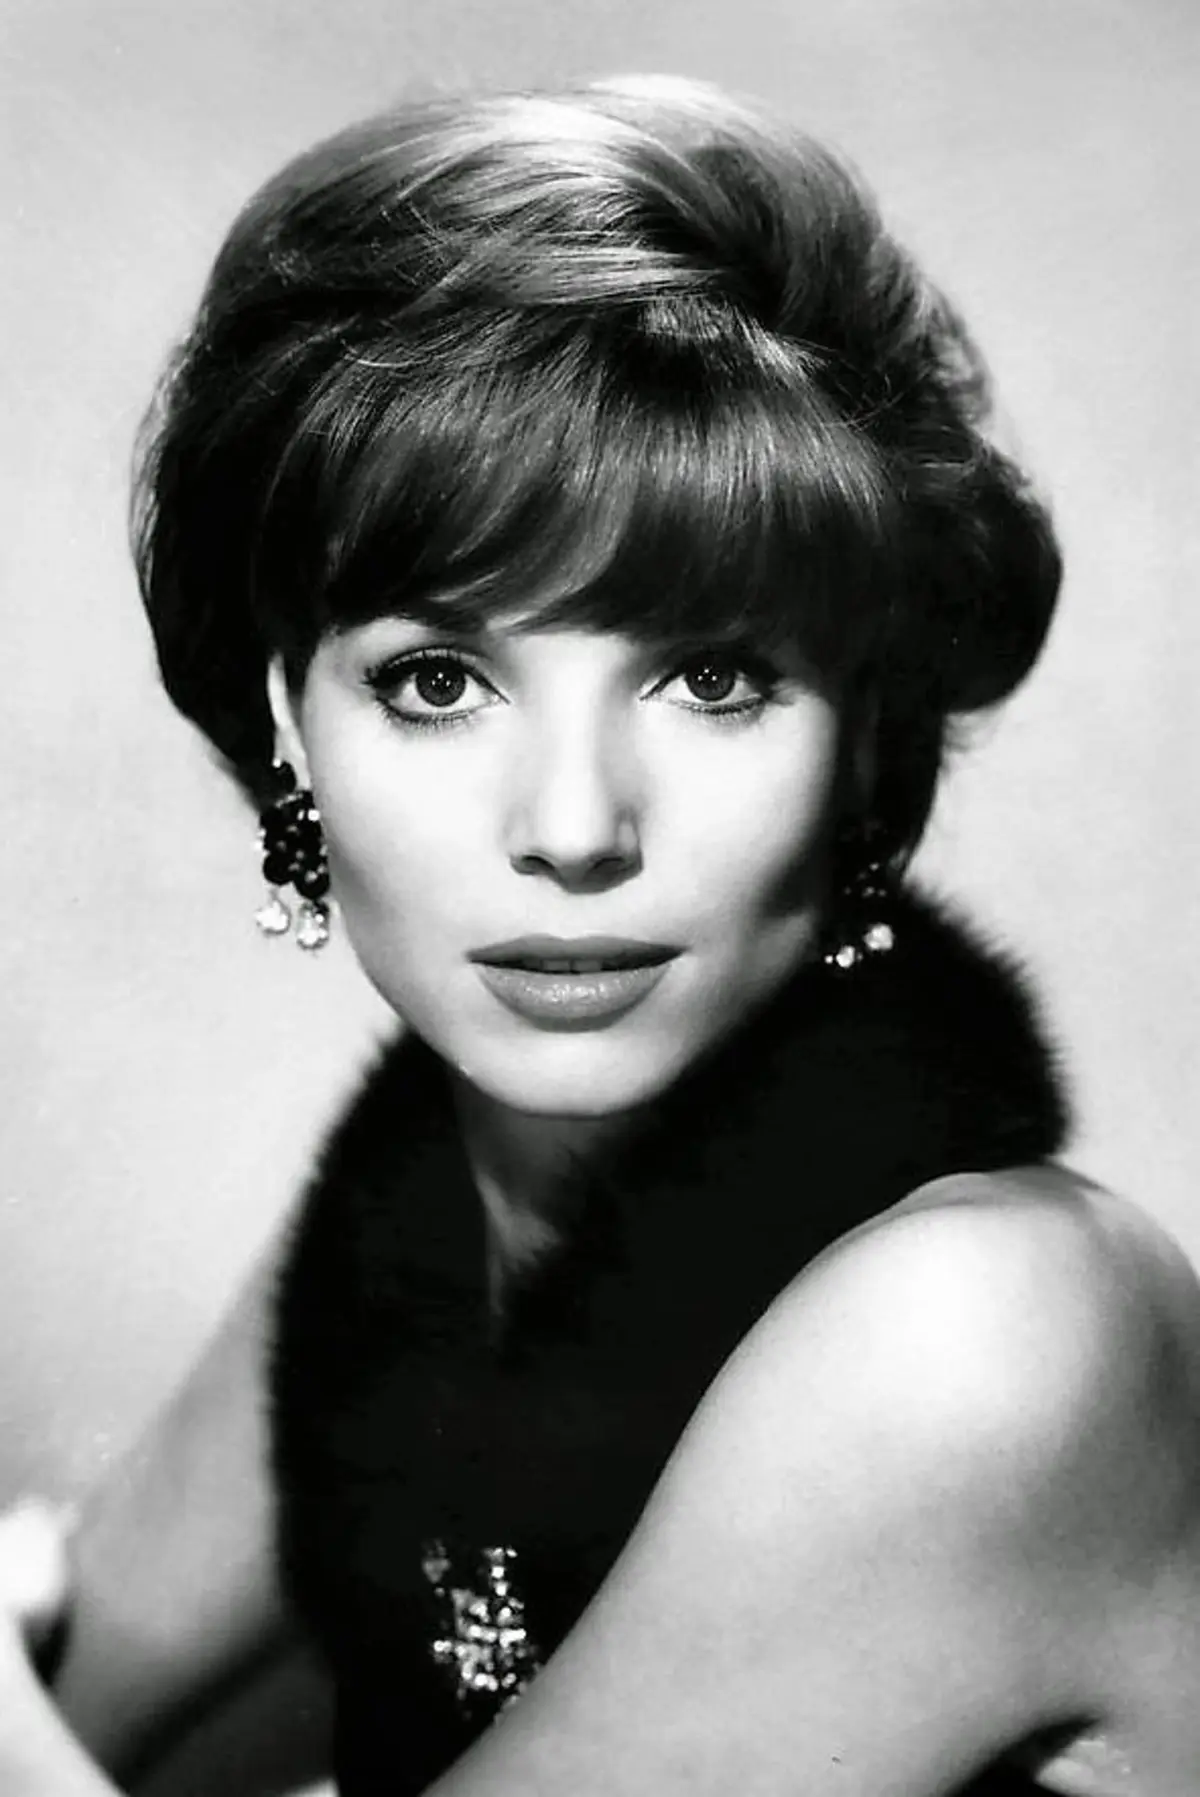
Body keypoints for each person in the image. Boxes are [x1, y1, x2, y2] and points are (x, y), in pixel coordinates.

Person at [3, 72, 1200, 1797]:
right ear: (286, 721)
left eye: (712, 677)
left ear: (865, 733)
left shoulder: (991, 1335)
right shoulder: (419, 1211)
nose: (573, 827)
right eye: (438, 680)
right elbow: (78, 1688)